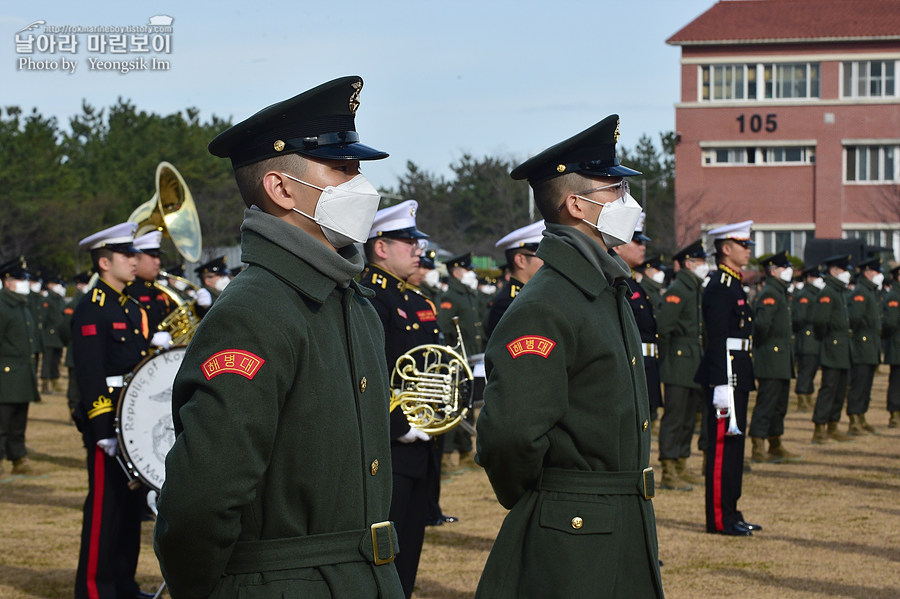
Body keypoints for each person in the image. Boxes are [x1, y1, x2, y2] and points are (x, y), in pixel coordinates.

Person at [153, 76, 404, 599]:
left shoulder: (351, 303)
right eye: (343, 169)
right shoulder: (255, 311)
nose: (362, 187)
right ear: (282, 188)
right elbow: (203, 498)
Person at [474, 115, 663, 599]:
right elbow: (511, 434)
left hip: (615, 518)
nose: (629, 203)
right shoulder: (548, 303)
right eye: (615, 190)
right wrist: (551, 497)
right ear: (577, 205)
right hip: (573, 532)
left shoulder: (602, 286)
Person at [360, 200, 440, 598]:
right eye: (407, 241)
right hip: (387, 445)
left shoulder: (414, 301)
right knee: (382, 555)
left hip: (421, 440)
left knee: (408, 552)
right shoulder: (368, 298)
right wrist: (399, 424)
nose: (417, 249)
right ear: (380, 246)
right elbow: (365, 376)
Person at [70, 222, 153, 599]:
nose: (134, 261)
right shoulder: (92, 308)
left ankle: (123, 583)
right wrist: (103, 428)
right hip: (108, 426)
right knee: (105, 511)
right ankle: (95, 589)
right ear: (104, 262)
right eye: (125, 255)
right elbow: (90, 375)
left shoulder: (127, 305)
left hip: (131, 423)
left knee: (130, 510)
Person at [696, 220, 761, 536]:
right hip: (726, 376)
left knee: (735, 448)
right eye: (743, 244)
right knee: (722, 447)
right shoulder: (720, 286)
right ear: (725, 248)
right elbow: (718, 338)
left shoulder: (734, 283)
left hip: (738, 372)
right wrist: (722, 383)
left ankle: (732, 512)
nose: (747, 250)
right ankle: (720, 518)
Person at [656, 239, 708, 490]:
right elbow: (664, 328)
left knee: (689, 417)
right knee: (675, 416)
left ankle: (681, 463)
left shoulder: (694, 289)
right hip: (678, 361)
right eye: (701, 262)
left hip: (694, 360)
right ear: (689, 264)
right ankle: (667, 467)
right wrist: (666, 359)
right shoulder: (679, 290)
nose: (705, 266)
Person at [613, 216, 663, 442]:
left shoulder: (634, 284)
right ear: (619, 246)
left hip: (646, 366)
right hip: (630, 368)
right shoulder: (616, 282)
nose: (643, 247)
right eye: (637, 242)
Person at [749, 251, 801, 463]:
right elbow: (761, 325)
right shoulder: (770, 292)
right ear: (773, 271)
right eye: (784, 267)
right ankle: (758, 446)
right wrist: (764, 347)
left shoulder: (779, 291)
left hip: (781, 358)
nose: (788, 271)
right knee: (767, 402)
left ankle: (775, 442)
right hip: (771, 357)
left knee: (780, 403)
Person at [437, 252, 483, 473]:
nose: (471, 273)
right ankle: (446, 456)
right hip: (456, 357)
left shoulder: (468, 293)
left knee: (468, 404)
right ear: (456, 272)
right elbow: (445, 327)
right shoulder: (451, 296)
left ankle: (465, 451)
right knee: (453, 404)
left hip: (471, 357)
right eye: (467, 269)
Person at [0, 256, 41, 475]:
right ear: (7, 282)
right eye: (19, 278)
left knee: (18, 422)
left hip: (22, 374)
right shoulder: (3, 305)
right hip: (6, 376)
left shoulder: (21, 304)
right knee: (2, 423)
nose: (24, 282)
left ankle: (18, 457)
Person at [810, 254, 854, 444]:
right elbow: (820, 322)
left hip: (843, 348)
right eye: (844, 270)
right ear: (834, 271)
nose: (847, 274)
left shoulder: (839, 292)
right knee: (829, 388)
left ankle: (833, 424)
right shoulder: (828, 292)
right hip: (832, 346)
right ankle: (819, 428)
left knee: (840, 389)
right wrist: (826, 339)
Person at [485, 220, 545, 338]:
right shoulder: (508, 303)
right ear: (520, 260)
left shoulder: (531, 294)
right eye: (541, 255)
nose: (546, 261)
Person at [846, 257, 883, 435]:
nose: (879, 275)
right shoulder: (861, 292)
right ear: (868, 273)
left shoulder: (871, 291)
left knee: (866, 385)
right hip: (862, 345)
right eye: (877, 272)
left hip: (870, 346)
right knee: (858, 384)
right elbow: (855, 319)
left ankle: (862, 416)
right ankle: (854, 419)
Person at [126, 231, 174, 349]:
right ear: (135, 259)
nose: (157, 262)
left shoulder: (158, 290)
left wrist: (199, 309)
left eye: (158, 256)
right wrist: (150, 339)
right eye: (152, 256)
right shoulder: (128, 290)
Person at [792, 265, 823, 412]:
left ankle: (808, 394)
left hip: (815, 338)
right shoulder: (805, 295)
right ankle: (802, 397)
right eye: (816, 277)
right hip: (807, 337)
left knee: (812, 368)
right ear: (809, 278)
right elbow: (800, 317)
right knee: (806, 369)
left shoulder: (816, 293)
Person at [63, 271, 92, 418]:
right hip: (75, 350)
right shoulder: (76, 302)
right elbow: (65, 329)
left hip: (87, 353)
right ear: (79, 285)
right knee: (74, 387)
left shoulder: (90, 301)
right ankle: (73, 411)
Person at [37, 274, 67, 393]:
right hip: (49, 335)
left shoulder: (60, 300)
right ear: (49, 285)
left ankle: (55, 382)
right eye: (55, 284)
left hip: (59, 336)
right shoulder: (47, 300)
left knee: (56, 361)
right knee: (47, 361)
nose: (57, 287)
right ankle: (45, 384)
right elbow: (42, 320)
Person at [882, 264, 900, 428]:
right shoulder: (894, 296)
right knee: (896, 381)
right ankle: (894, 414)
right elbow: (890, 323)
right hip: (897, 345)